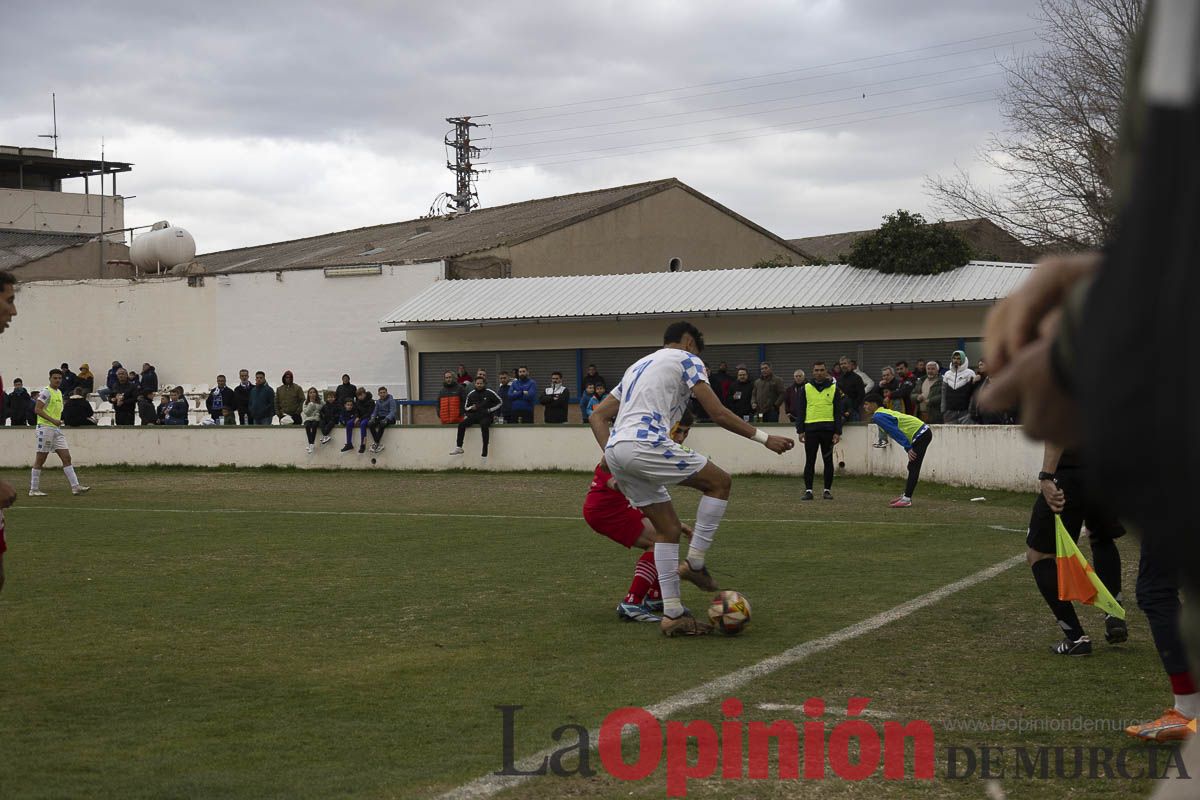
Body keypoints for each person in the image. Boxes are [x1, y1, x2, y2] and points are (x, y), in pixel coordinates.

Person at [588, 321, 793, 636]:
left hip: (616, 451)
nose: (702, 364)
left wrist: (616, 458)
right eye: (699, 351)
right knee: (720, 482)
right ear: (687, 342)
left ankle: (672, 614)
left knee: (667, 529)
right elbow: (719, 413)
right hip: (646, 443)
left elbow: (597, 415)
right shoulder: (687, 359)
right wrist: (765, 438)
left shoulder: (637, 366)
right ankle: (696, 564)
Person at [584, 412, 697, 622]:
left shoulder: (654, 444)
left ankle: (656, 596)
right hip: (606, 509)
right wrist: (617, 482)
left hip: (622, 506)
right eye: (678, 430)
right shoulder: (639, 442)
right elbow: (610, 472)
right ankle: (632, 603)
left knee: (668, 535)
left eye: (686, 432)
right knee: (659, 541)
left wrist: (676, 524)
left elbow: (649, 496)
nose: (681, 438)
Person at [1026, 443, 1127, 656]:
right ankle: (1113, 614)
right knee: (1101, 537)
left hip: (1072, 473)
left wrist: (1046, 477)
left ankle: (1075, 637)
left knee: (1039, 556)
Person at [863, 392, 932, 508]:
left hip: (920, 434)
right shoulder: (882, 412)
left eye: (866, 404)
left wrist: (908, 448)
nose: (864, 407)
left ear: (874, 404)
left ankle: (907, 499)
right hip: (922, 431)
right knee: (912, 466)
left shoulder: (878, 416)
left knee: (914, 466)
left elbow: (895, 432)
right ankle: (906, 495)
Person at [28, 369, 89, 497]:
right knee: (40, 459)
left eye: (59, 378)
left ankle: (75, 486)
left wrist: (58, 421)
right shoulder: (46, 392)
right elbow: (37, 409)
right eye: (55, 378)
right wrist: (53, 420)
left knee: (66, 457)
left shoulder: (59, 392)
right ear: (50, 379)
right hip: (45, 428)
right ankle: (33, 489)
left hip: (56, 429)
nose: (57, 380)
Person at [793, 361, 844, 501]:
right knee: (810, 461)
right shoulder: (806, 388)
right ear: (813, 372)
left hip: (828, 430)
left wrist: (838, 432)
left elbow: (838, 411)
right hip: (811, 430)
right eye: (816, 370)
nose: (819, 372)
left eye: (822, 370)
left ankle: (827, 490)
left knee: (828, 461)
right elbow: (801, 410)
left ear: (826, 371)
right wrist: (800, 430)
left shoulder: (834, 389)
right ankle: (808, 491)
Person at [450, 375, 503, 457]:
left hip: (487, 416)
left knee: (484, 425)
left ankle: (485, 448)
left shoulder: (490, 392)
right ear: (474, 384)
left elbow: (500, 402)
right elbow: (466, 407)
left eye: (481, 383)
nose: (479, 385)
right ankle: (459, 447)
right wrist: (472, 408)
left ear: (484, 384)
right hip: (475, 416)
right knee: (461, 424)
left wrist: (490, 410)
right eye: (477, 383)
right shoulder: (471, 394)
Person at [940, 350, 976, 424]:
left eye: (958, 358)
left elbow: (973, 393)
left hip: (965, 411)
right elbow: (944, 392)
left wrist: (971, 410)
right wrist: (943, 409)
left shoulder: (970, 373)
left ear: (963, 359)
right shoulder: (947, 374)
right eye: (954, 358)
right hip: (949, 412)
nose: (956, 360)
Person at [343, 386, 375, 454]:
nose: (359, 397)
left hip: (367, 417)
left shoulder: (371, 401)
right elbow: (356, 411)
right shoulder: (358, 402)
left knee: (363, 424)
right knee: (349, 423)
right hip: (359, 417)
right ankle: (349, 444)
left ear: (364, 394)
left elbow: (370, 412)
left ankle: (363, 445)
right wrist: (357, 417)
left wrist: (359, 418)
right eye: (358, 396)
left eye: (361, 395)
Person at [836, 356, 866, 423]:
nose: (843, 366)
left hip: (853, 412)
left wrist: (852, 408)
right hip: (841, 412)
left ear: (850, 364)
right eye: (841, 364)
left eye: (845, 363)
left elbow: (861, 395)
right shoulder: (840, 379)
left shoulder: (857, 378)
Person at [368, 386, 396, 453]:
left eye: (384, 392)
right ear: (378, 394)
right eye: (381, 393)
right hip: (381, 417)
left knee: (382, 424)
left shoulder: (391, 400)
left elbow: (392, 411)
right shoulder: (378, 402)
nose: (382, 394)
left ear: (387, 393)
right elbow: (375, 411)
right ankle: (378, 444)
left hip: (390, 418)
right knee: (370, 424)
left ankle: (376, 443)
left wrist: (386, 419)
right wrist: (372, 418)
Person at [301, 387, 322, 454]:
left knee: (314, 425)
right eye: (311, 392)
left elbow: (322, 408)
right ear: (308, 394)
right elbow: (306, 412)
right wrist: (311, 404)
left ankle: (311, 444)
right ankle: (311, 443)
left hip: (316, 418)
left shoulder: (320, 401)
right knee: (307, 426)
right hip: (308, 418)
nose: (312, 394)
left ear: (316, 393)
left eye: (314, 392)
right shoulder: (306, 402)